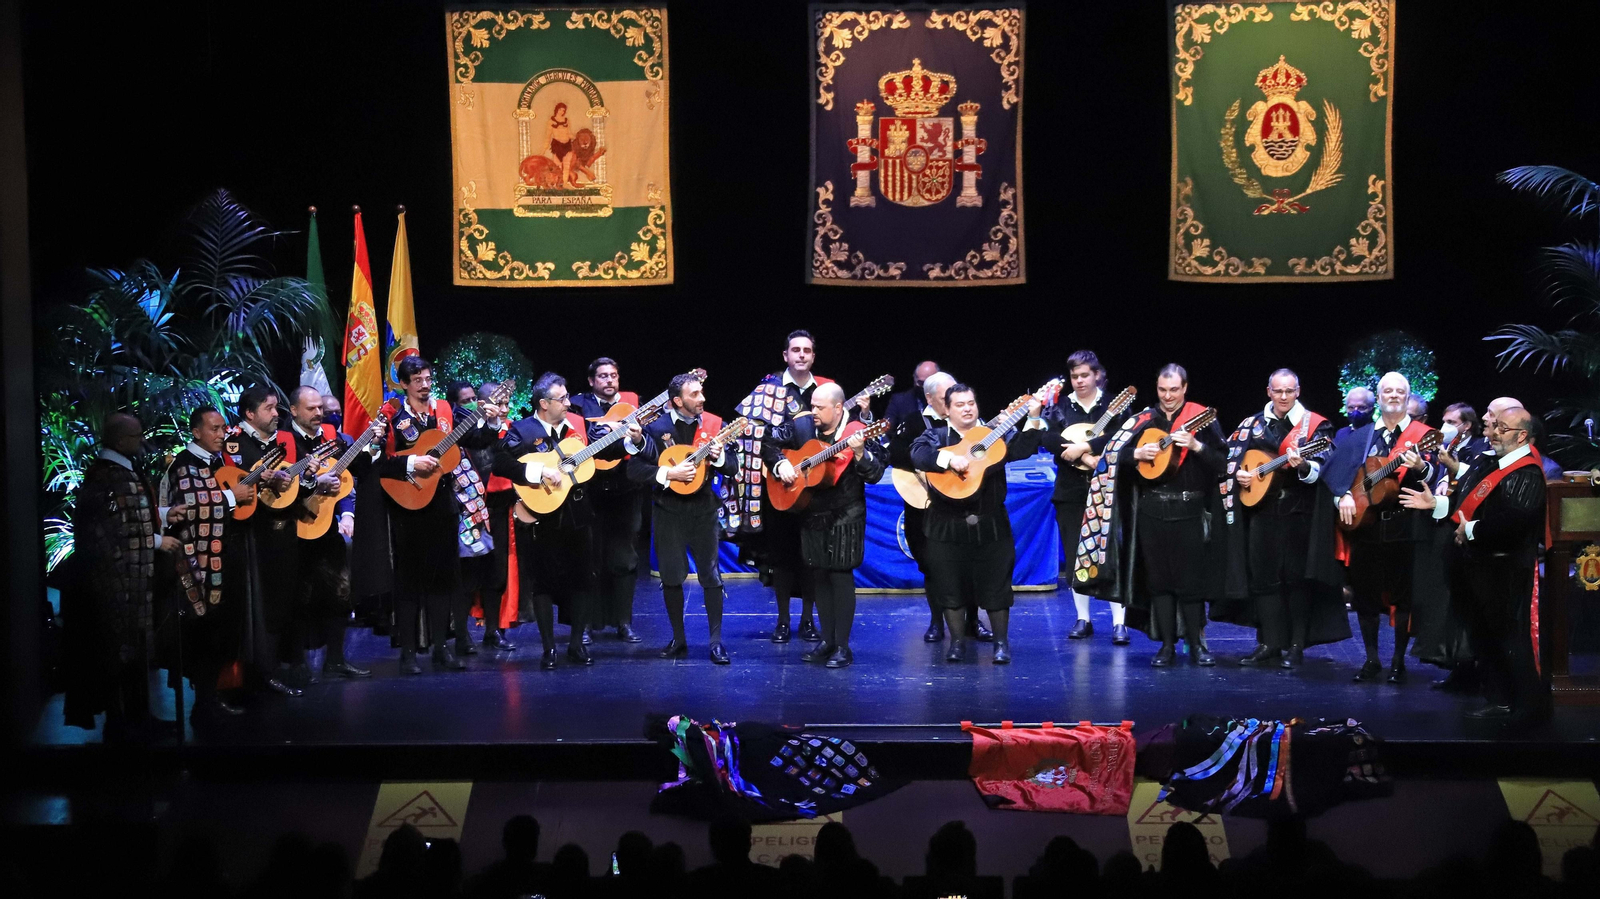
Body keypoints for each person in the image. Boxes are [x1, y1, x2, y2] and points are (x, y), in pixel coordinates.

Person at [1402, 407, 1549, 725]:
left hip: (1504, 570)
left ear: (1522, 435)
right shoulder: (1490, 462)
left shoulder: (1526, 473)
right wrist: (1436, 504)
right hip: (1480, 568)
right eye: (1494, 425)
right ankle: (1500, 699)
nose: (1492, 432)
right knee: (1486, 638)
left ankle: (1525, 706)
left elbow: (1514, 522)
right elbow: (1467, 499)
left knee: (1508, 638)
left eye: (1501, 427)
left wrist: (1471, 530)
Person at [729, 330, 869, 644]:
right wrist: (779, 463)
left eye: (807, 350)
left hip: (822, 495)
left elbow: (852, 435)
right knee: (781, 557)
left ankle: (809, 621)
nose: (802, 355)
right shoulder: (769, 389)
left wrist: (866, 414)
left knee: (813, 562)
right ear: (786, 356)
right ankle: (781, 620)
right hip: (783, 484)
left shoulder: (827, 389)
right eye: (796, 350)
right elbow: (756, 434)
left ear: (813, 356)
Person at [911, 382, 1047, 663]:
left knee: (997, 586)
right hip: (945, 525)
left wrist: (1032, 417)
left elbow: (1022, 449)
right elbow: (917, 453)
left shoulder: (993, 434)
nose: (967, 409)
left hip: (990, 522)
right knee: (949, 587)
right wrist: (947, 459)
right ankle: (957, 643)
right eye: (959, 405)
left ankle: (1001, 644)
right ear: (946, 410)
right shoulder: (936, 436)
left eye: (971, 403)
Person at [1221, 369, 1350, 668]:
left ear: (1298, 391)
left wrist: (1303, 465)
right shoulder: (1250, 425)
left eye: (1289, 391)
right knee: (1264, 580)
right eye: (1278, 391)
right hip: (1261, 513)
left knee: (1295, 580)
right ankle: (1269, 643)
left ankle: (1296, 645)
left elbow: (1325, 467)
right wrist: (1238, 473)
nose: (1283, 397)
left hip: (1298, 513)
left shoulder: (1315, 426)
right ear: (1268, 391)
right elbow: (1229, 459)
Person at [378, 357, 496, 674]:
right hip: (407, 504)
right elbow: (374, 463)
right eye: (417, 380)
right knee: (409, 581)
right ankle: (407, 654)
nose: (425, 384)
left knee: (444, 579)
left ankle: (442, 649)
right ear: (404, 384)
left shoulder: (444, 410)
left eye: (428, 378)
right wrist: (409, 464)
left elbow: (477, 439)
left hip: (443, 503)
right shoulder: (392, 415)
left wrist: (491, 422)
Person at [1322, 371, 1438, 683]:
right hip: (1367, 529)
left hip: (1405, 527)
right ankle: (1372, 659)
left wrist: (1422, 467)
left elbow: (1437, 476)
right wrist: (1342, 496)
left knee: (1403, 597)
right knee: (1365, 596)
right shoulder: (1361, 436)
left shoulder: (1422, 434)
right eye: (1388, 391)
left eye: (1400, 391)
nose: (1394, 395)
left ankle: (1398, 661)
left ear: (1408, 396)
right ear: (1380, 395)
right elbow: (1336, 473)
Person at [63, 413, 170, 739]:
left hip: (134, 578)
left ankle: (139, 715)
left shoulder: (120, 475)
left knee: (136, 647)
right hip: (112, 582)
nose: (141, 442)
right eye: (136, 436)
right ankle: (119, 720)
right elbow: (105, 536)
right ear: (122, 440)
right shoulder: (103, 480)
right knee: (115, 650)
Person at [765, 383, 887, 667]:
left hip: (846, 513)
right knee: (818, 575)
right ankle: (827, 640)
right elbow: (768, 442)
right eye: (813, 406)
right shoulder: (803, 425)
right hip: (811, 512)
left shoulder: (856, 431)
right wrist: (780, 463)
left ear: (838, 407)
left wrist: (859, 454)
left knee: (840, 575)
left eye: (820, 407)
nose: (814, 412)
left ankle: (843, 646)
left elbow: (876, 472)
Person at [495, 372, 609, 669]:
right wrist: (537, 472)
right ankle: (548, 649)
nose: (569, 403)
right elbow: (501, 462)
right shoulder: (521, 430)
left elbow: (608, 447)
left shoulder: (579, 427)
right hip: (540, 518)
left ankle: (576, 645)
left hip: (578, 516)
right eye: (562, 399)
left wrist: (631, 438)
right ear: (544, 403)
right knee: (542, 583)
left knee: (584, 579)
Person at [1121, 365, 1228, 667]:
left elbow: (1223, 462)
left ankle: (1197, 645)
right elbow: (1114, 454)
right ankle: (1166, 646)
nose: (1168, 396)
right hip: (1151, 510)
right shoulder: (1144, 420)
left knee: (1190, 582)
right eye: (1162, 390)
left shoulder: (1200, 418)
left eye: (1174, 390)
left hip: (1188, 509)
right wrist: (1135, 455)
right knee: (1159, 581)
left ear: (1185, 388)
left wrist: (1196, 445)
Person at [628, 373, 737, 663]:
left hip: (703, 510)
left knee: (711, 576)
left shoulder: (715, 426)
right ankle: (678, 638)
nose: (702, 398)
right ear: (677, 401)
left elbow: (733, 468)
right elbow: (634, 471)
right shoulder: (656, 428)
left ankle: (715, 642)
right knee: (671, 576)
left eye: (702, 392)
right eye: (694, 394)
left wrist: (721, 457)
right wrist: (667, 474)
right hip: (669, 511)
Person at [160, 406, 253, 726]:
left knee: (222, 628)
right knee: (205, 630)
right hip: (197, 564)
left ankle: (212, 696)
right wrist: (231, 498)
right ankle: (204, 702)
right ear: (196, 432)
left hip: (223, 559)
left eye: (223, 428)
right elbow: (190, 507)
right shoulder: (184, 465)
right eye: (213, 429)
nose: (221, 434)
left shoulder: (217, 462)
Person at [285, 386, 374, 682]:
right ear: (294, 410)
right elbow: (279, 485)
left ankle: (335, 659)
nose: (318, 413)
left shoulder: (332, 438)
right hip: (297, 526)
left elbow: (345, 474)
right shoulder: (285, 441)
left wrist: (347, 512)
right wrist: (313, 483)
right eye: (311, 408)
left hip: (328, 527)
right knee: (299, 596)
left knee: (340, 592)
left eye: (320, 408)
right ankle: (296, 663)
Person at [222, 385, 304, 697]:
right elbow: (231, 480)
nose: (276, 414)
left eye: (276, 408)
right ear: (250, 413)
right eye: (269, 408)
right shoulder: (233, 443)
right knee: (257, 606)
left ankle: (275, 669)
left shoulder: (284, 441)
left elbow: (295, 482)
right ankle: (256, 677)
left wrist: (304, 476)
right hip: (250, 538)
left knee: (282, 603)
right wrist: (261, 477)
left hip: (282, 535)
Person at [1046, 350, 1130, 644]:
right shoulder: (1059, 406)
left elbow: (1123, 437)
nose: (1079, 381)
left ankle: (1120, 622)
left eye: (1084, 375)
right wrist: (1080, 457)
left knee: (1111, 552)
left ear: (1097, 375)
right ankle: (1083, 618)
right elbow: (1049, 438)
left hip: (1107, 489)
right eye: (1074, 376)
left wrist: (1086, 447)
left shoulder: (1114, 406)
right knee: (1075, 555)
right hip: (1070, 490)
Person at [888, 370, 970, 642]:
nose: (952, 400)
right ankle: (937, 621)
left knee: (967, 564)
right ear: (929, 398)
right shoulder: (914, 421)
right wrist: (930, 462)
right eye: (946, 396)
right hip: (925, 505)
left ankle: (971, 623)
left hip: (961, 503)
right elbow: (895, 453)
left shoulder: (967, 424)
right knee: (932, 565)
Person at [572, 357, 646, 644]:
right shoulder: (578, 405)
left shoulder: (632, 406)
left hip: (625, 489)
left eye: (613, 375)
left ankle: (624, 622)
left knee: (625, 557)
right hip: (589, 489)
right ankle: (586, 623)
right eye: (602, 376)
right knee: (588, 556)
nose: (609, 380)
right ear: (591, 381)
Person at [461, 381, 517, 652]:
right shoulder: (469, 435)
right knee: (470, 574)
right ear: (483, 405)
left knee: (498, 574)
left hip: (503, 510)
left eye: (507, 404)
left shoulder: (514, 431)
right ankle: (462, 634)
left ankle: (494, 630)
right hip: (472, 513)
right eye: (499, 404)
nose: (504, 409)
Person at [884, 360, 939, 430]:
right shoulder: (899, 401)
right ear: (914, 378)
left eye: (928, 384)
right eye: (921, 383)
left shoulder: (947, 399)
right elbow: (887, 429)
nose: (924, 388)